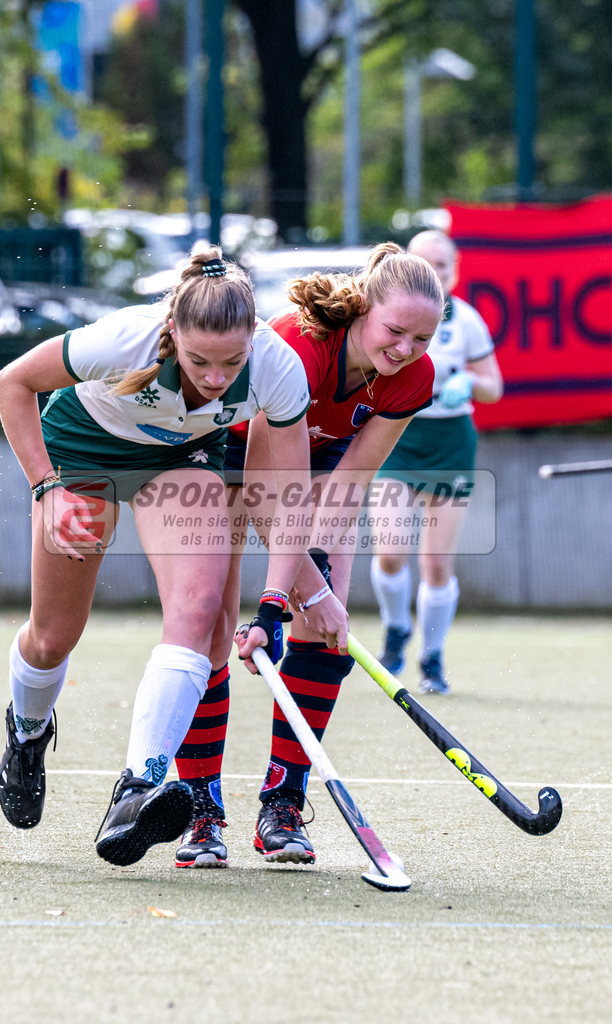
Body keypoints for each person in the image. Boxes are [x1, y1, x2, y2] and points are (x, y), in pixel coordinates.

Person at [0, 244, 344, 868]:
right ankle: (26, 731)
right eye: (200, 361)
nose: (215, 378)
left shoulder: (277, 366)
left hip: (182, 461)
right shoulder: (123, 339)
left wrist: (272, 605)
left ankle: (138, 785)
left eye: (231, 363)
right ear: (172, 332)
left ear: (252, 341)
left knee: (201, 606)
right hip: (82, 448)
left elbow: (286, 501)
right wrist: (45, 488)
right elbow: (12, 382)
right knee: (53, 637)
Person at [172, 241, 445, 869]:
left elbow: (350, 479)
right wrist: (300, 591)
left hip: (316, 472)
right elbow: (268, 487)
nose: (405, 349)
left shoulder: (413, 377)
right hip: (225, 456)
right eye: (395, 330)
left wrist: (319, 591)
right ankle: (200, 808)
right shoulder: (301, 343)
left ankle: (283, 802)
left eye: (422, 339)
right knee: (210, 620)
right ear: (363, 308)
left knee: (326, 638)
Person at [370, 229, 503, 695]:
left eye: (442, 266)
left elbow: (494, 386)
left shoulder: (465, 320)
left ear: (455, 270)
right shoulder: (383, 317)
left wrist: (467, 380)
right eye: (425, 264)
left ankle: (432, 657)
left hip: (449, 442)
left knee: (436, 564)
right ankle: (395, 628)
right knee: (389, 551)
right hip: (396, 436)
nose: (435, 274)